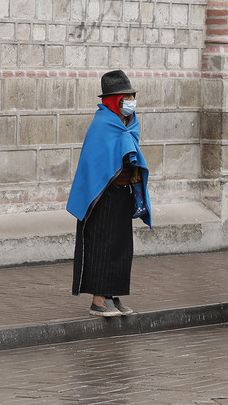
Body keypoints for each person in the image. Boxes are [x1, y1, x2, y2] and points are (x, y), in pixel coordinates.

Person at [67, 70, 152, 317]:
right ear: (114, 100)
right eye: (126, 97)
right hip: (102, 195)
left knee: (121, 246)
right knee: (101, 245)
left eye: (132, 96)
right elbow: (97, 164)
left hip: (123, 194)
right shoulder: (103, 123)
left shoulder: (129, 123)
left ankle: (113, 297)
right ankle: (98, 300)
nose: (131, 101)